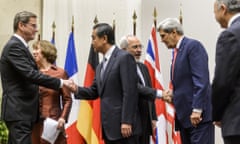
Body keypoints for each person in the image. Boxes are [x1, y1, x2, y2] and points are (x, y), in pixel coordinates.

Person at [0, 11, 73, 144]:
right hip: (19, 112)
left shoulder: (20, 46)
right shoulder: (14, 47)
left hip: (23, 113)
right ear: (21, 25)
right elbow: (31, 75)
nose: (36, 29)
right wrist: (61, 82)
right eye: (33, 25)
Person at [69, 23, 141, 144]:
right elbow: (94, 91)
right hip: (109, 128)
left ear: (104, 39)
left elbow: (130, 92)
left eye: (93, 38)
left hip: (124, 128)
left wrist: (126, 121)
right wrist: (75, 89)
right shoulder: (101, 66)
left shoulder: (124, 58)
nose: (92, 42)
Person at [157, 18, 214, 144]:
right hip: (185, 118)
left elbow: (201, 80)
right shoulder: (177, 52)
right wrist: (174, 94)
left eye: (163, 36)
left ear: (174, 32)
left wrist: (197, 109)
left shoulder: (193, 46)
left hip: (198, 117)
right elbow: (185, 83)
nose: (162, 40)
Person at [31, 40, 72, 144]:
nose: (33, 52)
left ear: (46, 51)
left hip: (53, 122)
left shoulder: (60, 73)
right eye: (33, 49)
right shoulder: (31, 73)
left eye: (37, 49)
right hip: (34, 123)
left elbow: (67, 99)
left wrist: (63, 118)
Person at [119, 35, 158, 144]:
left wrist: (153, 116)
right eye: (135, 47)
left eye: (140, 47)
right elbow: (134, 88)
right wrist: (161, 94)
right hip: (131, 121)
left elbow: (149, 92)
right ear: (124, 50)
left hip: (145, 120)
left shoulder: (143, 67)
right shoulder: (119, 68)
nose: (139, 50)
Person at [212, 0, 240, 143]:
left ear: (223, 9)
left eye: (214, 12)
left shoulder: (230, 35)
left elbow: (222, 82)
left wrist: (216, 113)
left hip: (236, 122)